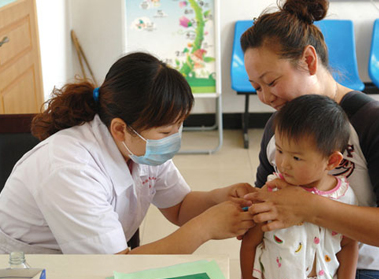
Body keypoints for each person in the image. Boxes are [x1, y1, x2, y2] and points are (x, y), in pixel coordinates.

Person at [0, 52, 255, 255]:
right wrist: (205, 228)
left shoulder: (139, 147)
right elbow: (115, 268)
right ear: (120, 129)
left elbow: (179, 207)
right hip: (29, 268)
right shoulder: (69, 169)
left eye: (180, 126)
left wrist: (219, 198)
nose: (175, 138)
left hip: (88, 259)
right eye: (166, 132)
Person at [239, 0, 379, 279]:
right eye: (256, 87)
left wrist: (310, 208)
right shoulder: (277, 127)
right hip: (290, 266)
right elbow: (265, 201)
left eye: (271, 82)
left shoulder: (375, 122)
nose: (265, 97)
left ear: (309, 60)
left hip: (366, 269)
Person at [240, 95, 358, 279]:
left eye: (296, 157)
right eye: (279, 151)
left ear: (331, 161)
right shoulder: (271, 193)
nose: (284, 164)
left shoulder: (345, 196)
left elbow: (349, 245)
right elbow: (249, 243)